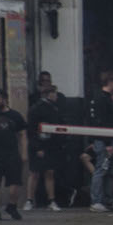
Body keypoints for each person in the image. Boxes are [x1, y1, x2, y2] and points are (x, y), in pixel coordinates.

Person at [0, 90, 27, 222]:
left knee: (15, 183)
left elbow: (23, 135)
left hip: (12, 154)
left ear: (4, 99)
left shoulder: (15, 115)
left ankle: (12, 206)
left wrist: (24, 153)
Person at [86, 70, 113, 212]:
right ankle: (97, 200)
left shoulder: (108, 99)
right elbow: (101, 122)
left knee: (111, 170)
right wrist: (107, 143)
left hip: (111, 139)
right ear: (111, 82)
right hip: (105, 139)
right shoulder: (101, 99)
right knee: (102, 169)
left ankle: (107, 198)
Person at [26, 81, 63, 210]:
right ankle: (29, 200)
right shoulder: (37, 109)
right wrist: (38, 147)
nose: (56, 96)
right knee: (34, 173)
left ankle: (51, 200)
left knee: (49, 172)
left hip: (51, 145)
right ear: (48, 94)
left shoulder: (55, 108)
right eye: (54, 93)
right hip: (39, 144)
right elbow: (31, 130)